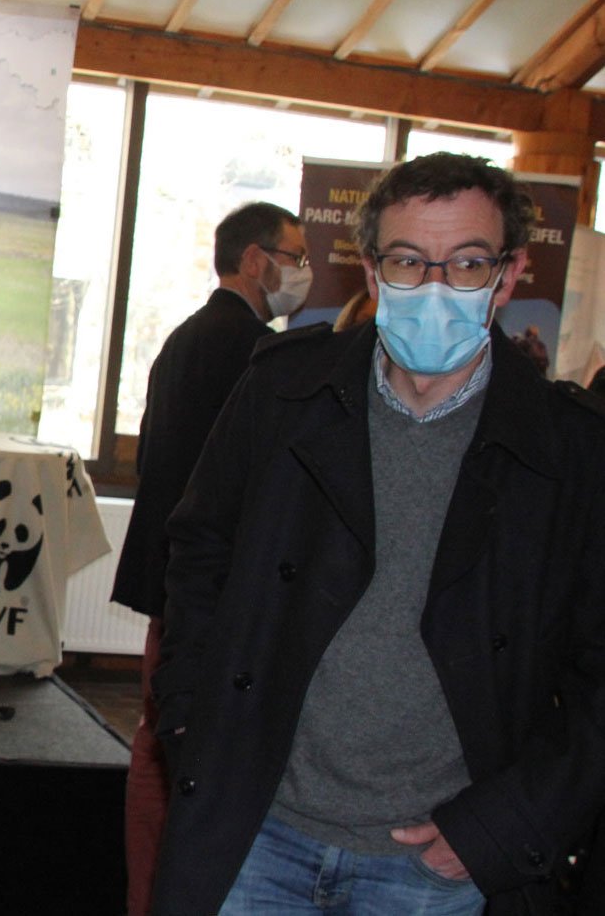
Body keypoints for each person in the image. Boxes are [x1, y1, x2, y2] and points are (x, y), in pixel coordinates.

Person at [152, 153, 605, 915]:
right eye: (407, 260)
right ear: (371, 270)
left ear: (509, 273)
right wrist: (194, 723)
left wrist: (506, 824)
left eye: (466, 263)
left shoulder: (571, 454)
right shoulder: (281, 394)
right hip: (259, 835)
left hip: (436, 867)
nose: (434, 287)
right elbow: (200, 556)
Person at [109, 201, 308, 915]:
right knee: (172, 744)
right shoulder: (254, 350)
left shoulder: (188, 336)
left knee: (155, 735)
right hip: (211, 585)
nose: (304, 271)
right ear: (256, 259)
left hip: (175, 577)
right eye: (296, 253)